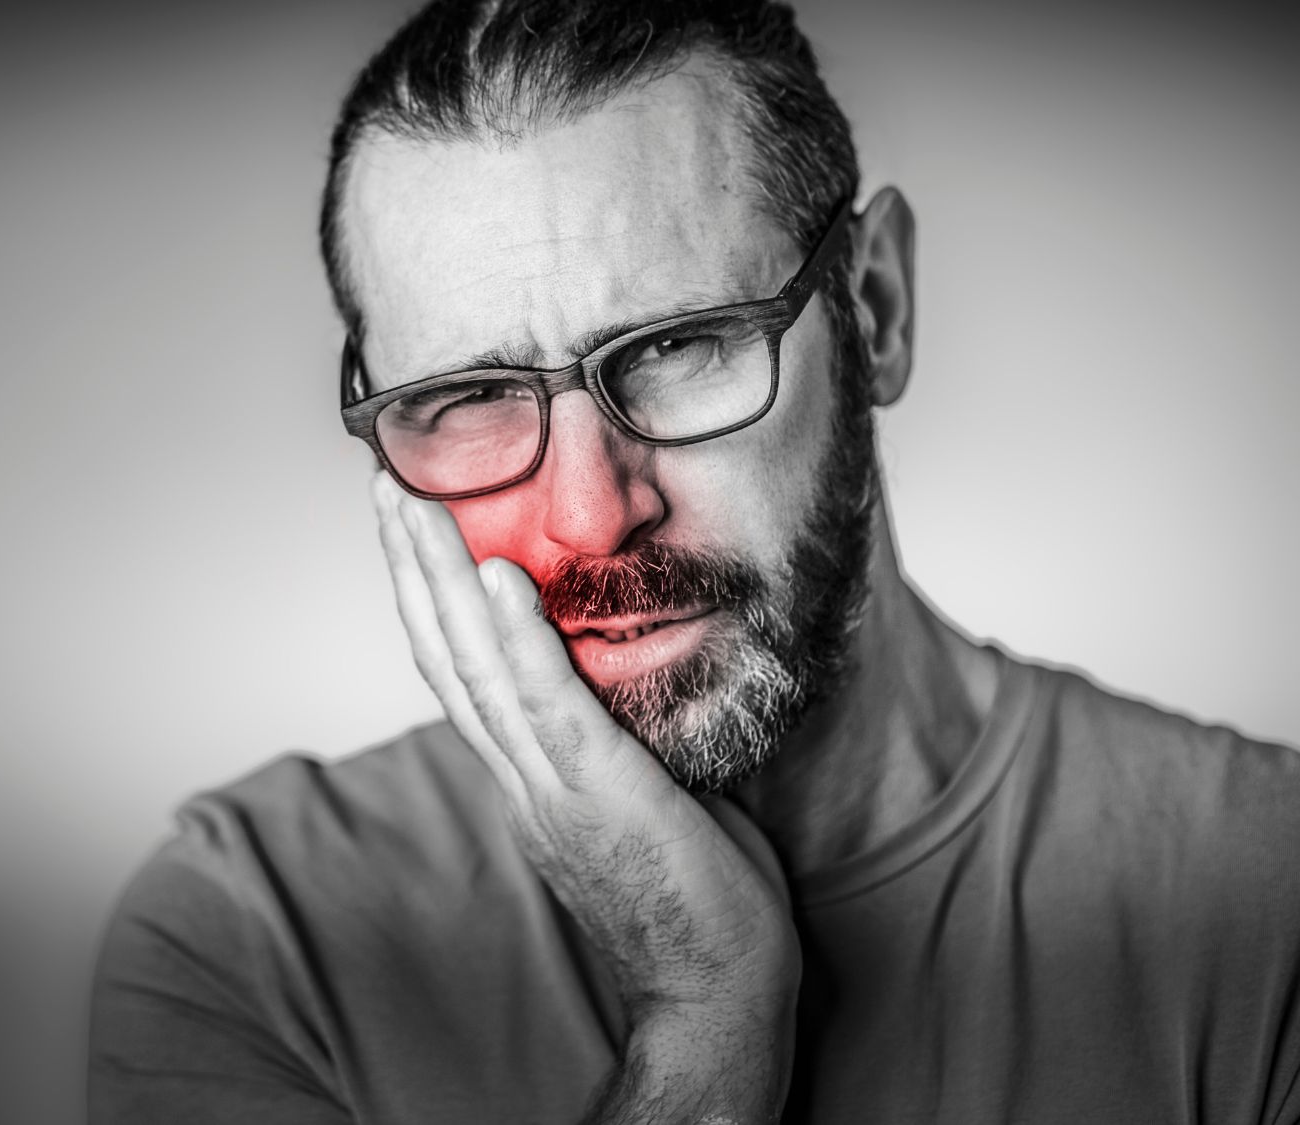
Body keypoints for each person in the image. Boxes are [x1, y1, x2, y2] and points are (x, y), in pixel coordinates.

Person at [88, 1, 1300, 1121]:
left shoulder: (1264, 898)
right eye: (467, 396)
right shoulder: (256, 936)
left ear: (873, 308)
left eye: (676, 347)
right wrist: (704, 1017)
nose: (590, 516)